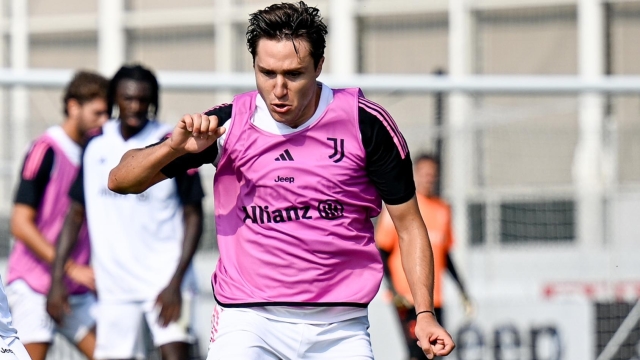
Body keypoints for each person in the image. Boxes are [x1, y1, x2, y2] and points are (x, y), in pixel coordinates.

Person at [107, 2, 455, 359]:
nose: (278, 89)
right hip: (247, 319)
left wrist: (424, 314)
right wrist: (173, 149)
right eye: (266, 72)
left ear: (319, 66)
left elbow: (411, 226)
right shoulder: (227, 126)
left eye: (293, 74)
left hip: (340, 326)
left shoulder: (366, 124)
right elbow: (121, 180)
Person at [46, 64, 205, 360]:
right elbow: (75, 215)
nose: (135, 106)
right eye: (127, 98)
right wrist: (57, 279)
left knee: (176, 354)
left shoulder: (172, 143)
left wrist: (176, 281)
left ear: (152, 100)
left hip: (166, 279)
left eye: (142, 99)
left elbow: (194, 216)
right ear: (115, 99)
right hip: (115, 284)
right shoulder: (95, 145)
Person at [6, 70, 109, 360]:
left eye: (107, 114)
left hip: (75, 290)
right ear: (73, 106)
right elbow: (20, 224)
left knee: (114, 354)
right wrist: (70, 267)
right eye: (97, 113)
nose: (104, 121)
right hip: (34, 285)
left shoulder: (97, 154)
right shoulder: (45, 149)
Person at [375, 154, 472, 360]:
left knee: (436, 353)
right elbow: (381, 251)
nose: (429, 178)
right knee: (416, 353)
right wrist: (393, 290)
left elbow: (445, 254)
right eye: (425, 174)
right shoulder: (401, 207)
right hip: (407, 298)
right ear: (415, 175)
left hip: (434, 297)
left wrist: (462, 289)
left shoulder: (443, 209)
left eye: (433, 174)